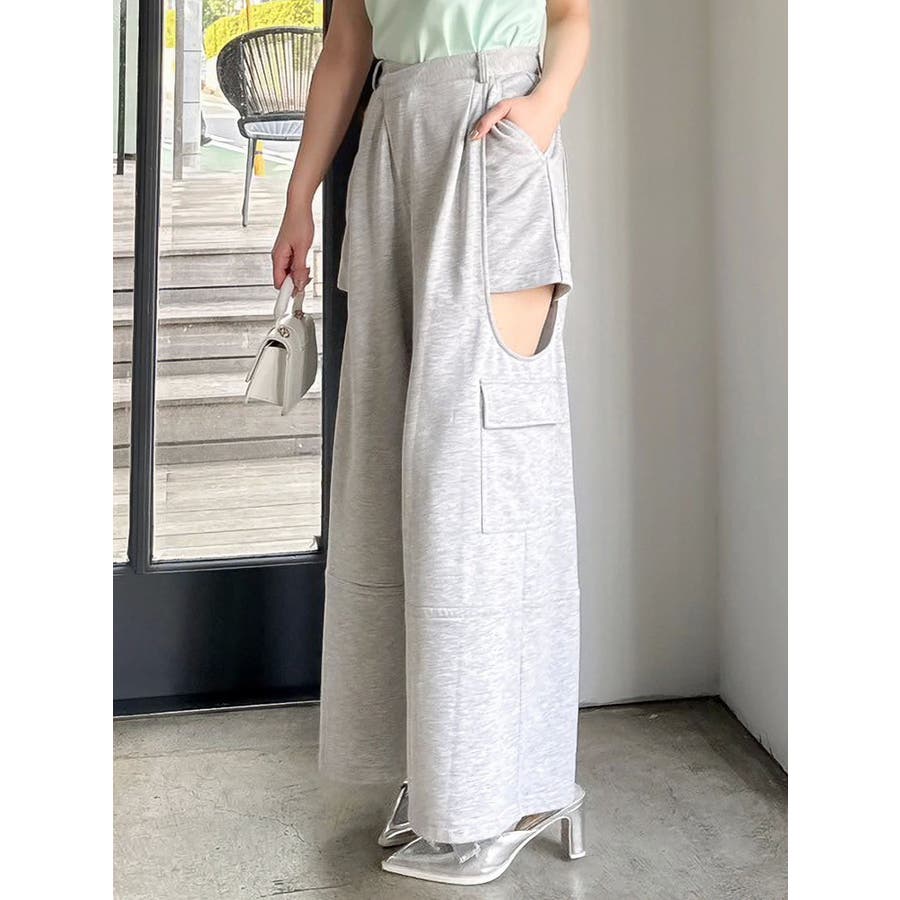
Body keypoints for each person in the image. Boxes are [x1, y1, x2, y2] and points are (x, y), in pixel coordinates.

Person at [272, 0, 591, 886]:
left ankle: (511, 787)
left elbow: (571, 14)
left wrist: (543, 111)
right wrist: (299, 198)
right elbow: (347, 47)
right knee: (385, 464)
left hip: (492, 127)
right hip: (391, 134)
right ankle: (441, 768)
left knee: (478, 462)